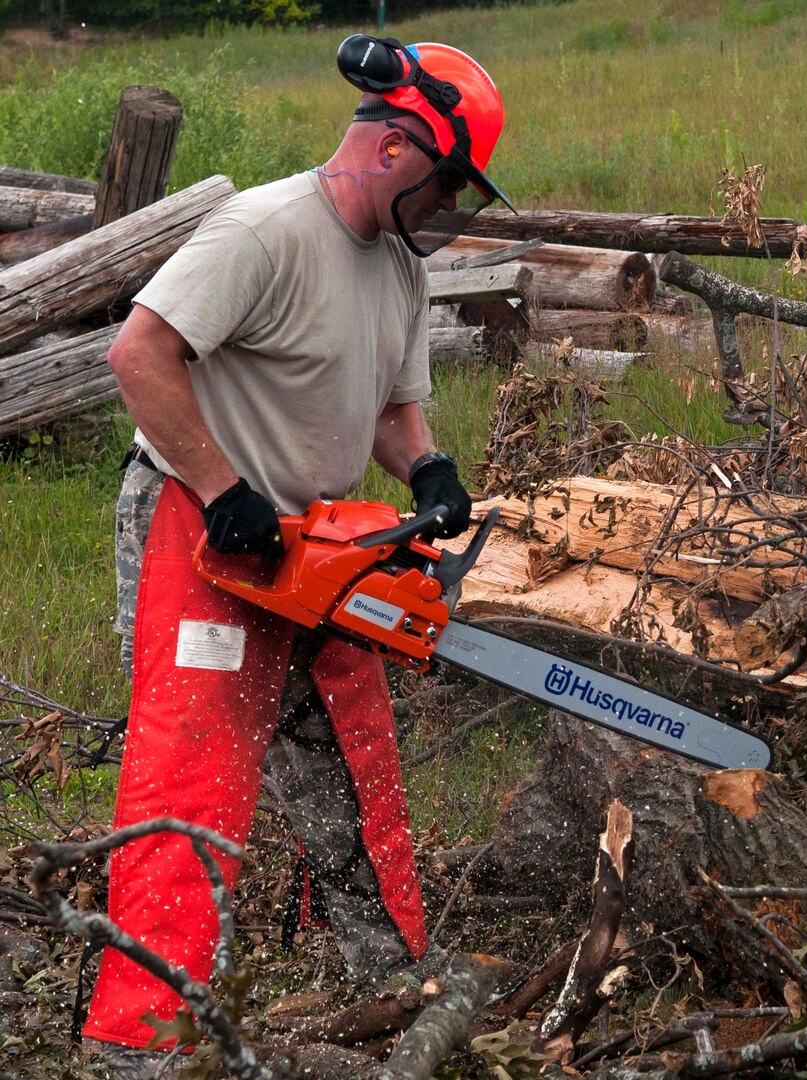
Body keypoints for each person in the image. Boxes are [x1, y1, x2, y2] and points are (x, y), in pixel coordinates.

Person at [84, 36, 513, 1071]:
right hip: (204, 529)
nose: (450, 209)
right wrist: (218, 483)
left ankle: (389, 972)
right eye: (448, 184)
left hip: (311, 546)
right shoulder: (264, 229)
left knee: (353, 751)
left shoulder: (399, 270)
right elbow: (139, 353)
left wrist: (428, 471)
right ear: (399, 150)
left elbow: (394, 408)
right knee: (191, 781)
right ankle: (143, 1037)